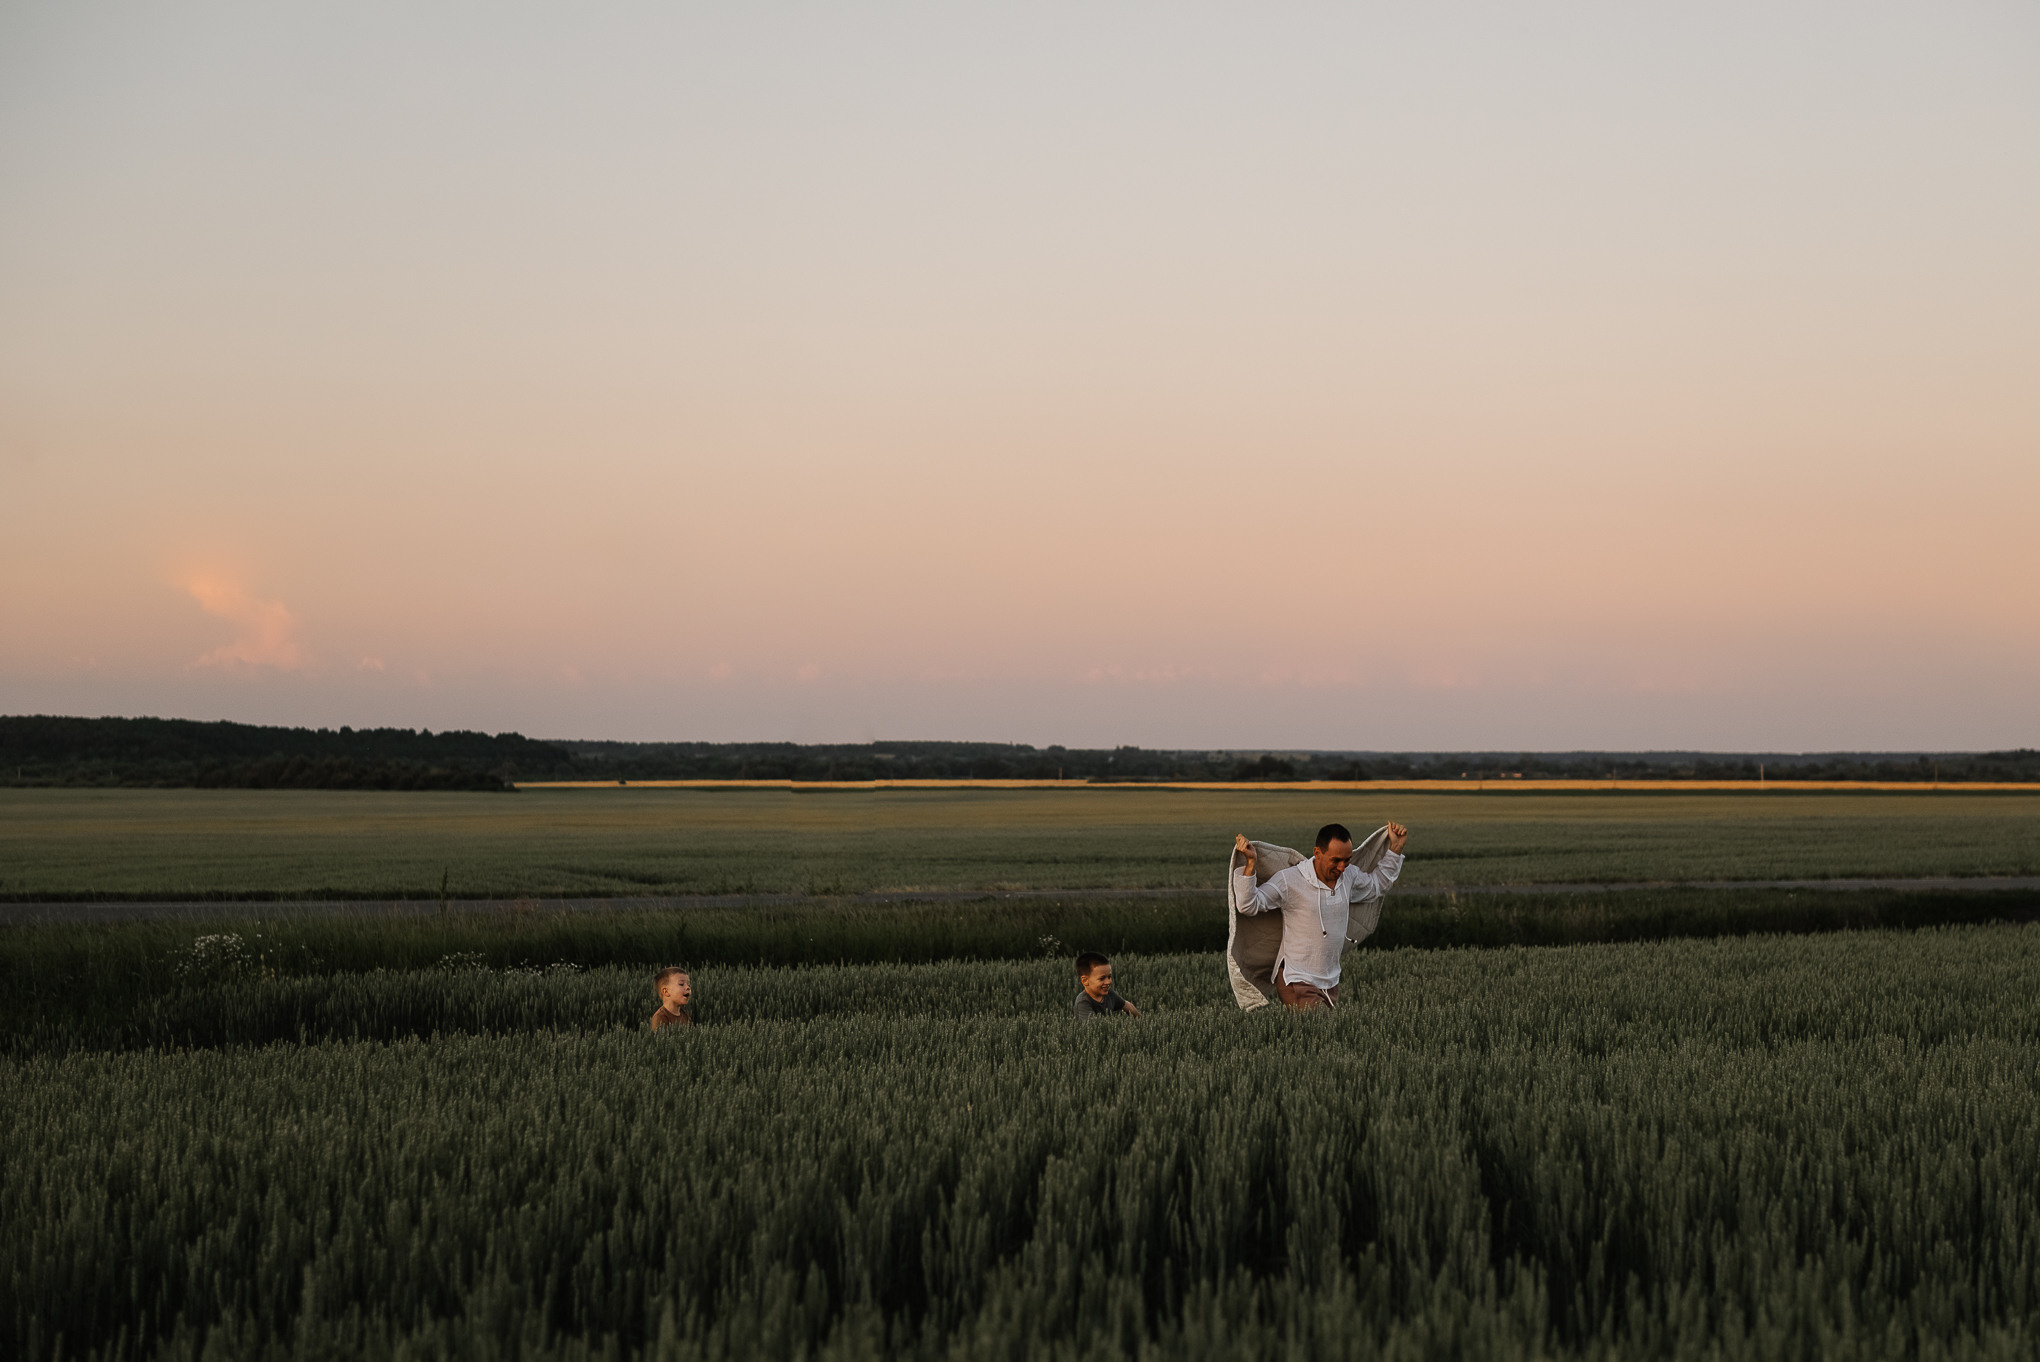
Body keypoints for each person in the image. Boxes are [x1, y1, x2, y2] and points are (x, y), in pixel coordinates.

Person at [1232, 821, 1409, 1011]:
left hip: (1330, 982)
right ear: (1317, 853)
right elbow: (1248, 905)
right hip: (1296, 980)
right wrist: (1250, 863)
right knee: (1321, 1025)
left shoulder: (1348, 875)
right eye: (1336, 860)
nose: (1342, 867)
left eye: (1347, 860)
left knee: (1325, 1029)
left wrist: (1395, 849)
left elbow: (1376, 886)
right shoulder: (1290, 880)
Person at [1072, 951, 1142, 1021]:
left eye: (1109, 977)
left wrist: (1140, 1020)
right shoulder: (1083, 1002)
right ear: (1085, 981)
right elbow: (1093, 1025)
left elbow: (1127, 1005)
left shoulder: (1109, 994)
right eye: (1102, 978)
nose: (1108, 982)